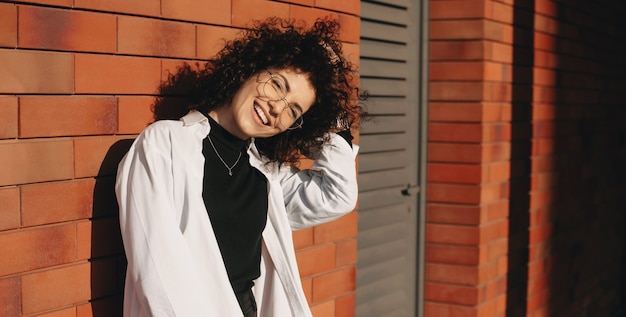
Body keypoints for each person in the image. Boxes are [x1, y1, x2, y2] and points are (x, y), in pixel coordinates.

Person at [115, 17, 364, 317]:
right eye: (276, 85)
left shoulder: (265, 175)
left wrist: (332, 115)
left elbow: (338, 194)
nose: (277, 107)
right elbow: (156, 273)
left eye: (293, 111)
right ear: (250, 69)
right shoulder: (164, 145)